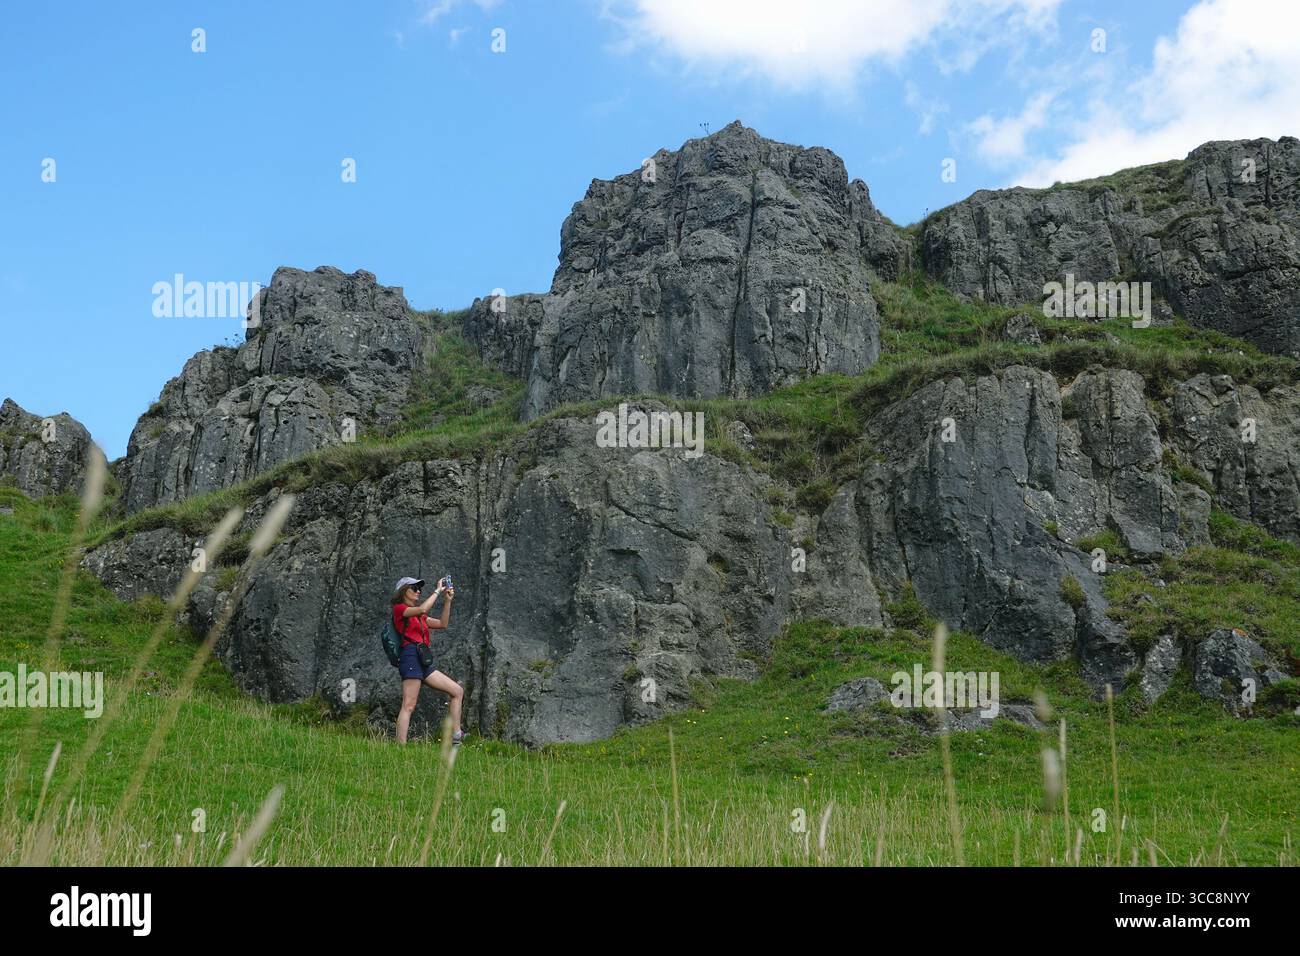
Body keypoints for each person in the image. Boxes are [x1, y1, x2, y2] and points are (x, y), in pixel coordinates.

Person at [391, 575, 465, 746]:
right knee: (409, 704)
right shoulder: (400, 609)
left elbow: (442, 624)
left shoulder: (419, 616)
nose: (418, 591)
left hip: (423, 658)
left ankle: (457, 736)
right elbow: (423, 609)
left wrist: (447, 601)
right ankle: (399, 746)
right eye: (414, 588)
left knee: (457, 691)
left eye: (419, 589)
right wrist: (438, 590)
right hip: (410, 656)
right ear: (403, 592)